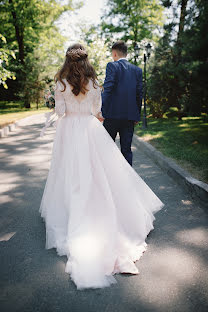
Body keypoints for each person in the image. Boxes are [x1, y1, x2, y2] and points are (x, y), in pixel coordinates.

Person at [39, 43, 164, 290]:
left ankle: (74, 208)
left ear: (67, 61)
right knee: (98, 172)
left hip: (69, 131)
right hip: (90, 129)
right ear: (86, 61)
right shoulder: (94, 83)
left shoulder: (62, 83)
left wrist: (54, 101)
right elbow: (97, 111)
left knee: (70, 173)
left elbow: (61, 111)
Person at [102, 41, 143, 166]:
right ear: (126, 53)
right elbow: (139, 94)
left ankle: (108, 176)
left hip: (111, 115)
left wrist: (101, 110)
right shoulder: (137, 70)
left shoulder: (112, 66)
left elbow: (107, 89)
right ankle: (129, 181)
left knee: (107, 148)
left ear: (114, 54)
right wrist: (137, 115)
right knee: (126, 149)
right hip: (129, 117)